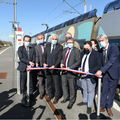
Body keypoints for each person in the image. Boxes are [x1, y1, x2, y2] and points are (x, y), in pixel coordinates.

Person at [95, 34, 120, 116]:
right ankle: (102, 106)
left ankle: (109, 107)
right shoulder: (101, 50)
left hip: (113, 73)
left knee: (112, 92)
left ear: (107, 40)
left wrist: (101, 71)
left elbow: (111, 61)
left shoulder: (114, 48)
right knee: (104, 90)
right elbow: (98, 62)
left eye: (102, 40)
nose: (101, 42)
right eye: (99, 41)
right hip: (105, 74)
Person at [77, 41, 101, 114]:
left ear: (91, 47)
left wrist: (90, 70)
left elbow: (98, 65)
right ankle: (84, 101)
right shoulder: (82, 53)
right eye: (84, 48)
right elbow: (80, 62)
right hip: (83, 75)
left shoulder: (96, 54)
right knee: (84, 88)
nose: (85, 49)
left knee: (91, 91)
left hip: (91, 76)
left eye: (87, 48)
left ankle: (89, 105)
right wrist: (79, 67)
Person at [61, 38, 81, 109]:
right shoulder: (64, 50)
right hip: (64, 71)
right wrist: (61, 63)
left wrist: (70, 67)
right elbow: (62, 58)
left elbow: (78, 61)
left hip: (71, 72)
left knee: (72, 87)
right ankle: (66, 97)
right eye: (68, 42)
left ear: (73, 43)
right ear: (66, 43)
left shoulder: (76, 50)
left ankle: (71, 101)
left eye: (71, 42)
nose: (69, 43)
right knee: (64, 85)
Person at [43, 33, 63, 104]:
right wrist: (44, 63)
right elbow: (44, 55)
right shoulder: (47, 46)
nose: (54, 40)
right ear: (50, 39)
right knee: (49, 83)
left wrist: (55, 65)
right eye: (53, 39)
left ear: (57, 40)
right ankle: (51, 95)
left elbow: (59, 57)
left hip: (55, 68)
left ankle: (57, 96)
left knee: (57, 83)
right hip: (48, 68)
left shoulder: (60, 47)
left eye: (55, 39)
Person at [17, 35, 36, 106]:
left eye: (28, 41)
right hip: (23, 68)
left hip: (30, 69)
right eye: (26, 41)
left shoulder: (32, 49)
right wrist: (29, 62)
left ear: (30, 41)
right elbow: (21, 58)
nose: (27, 42)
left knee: (30, 83)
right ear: (23, 41)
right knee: (24, 83)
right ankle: (24, 96)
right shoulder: (20, 48)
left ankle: (31, 95)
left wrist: (32, 63)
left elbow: (34, 57)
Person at [35, 34, 48, 99]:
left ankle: (48, 92)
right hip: (40, 67)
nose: (40, 40)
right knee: (41, 81)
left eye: (41, 38)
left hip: (48, 66)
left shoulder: (49, 45)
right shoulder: (37, 47)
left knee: (47, 80)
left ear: (44, 38)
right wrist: (37, 63)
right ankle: (41, 93)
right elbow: (37, 56)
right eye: (39, 39)